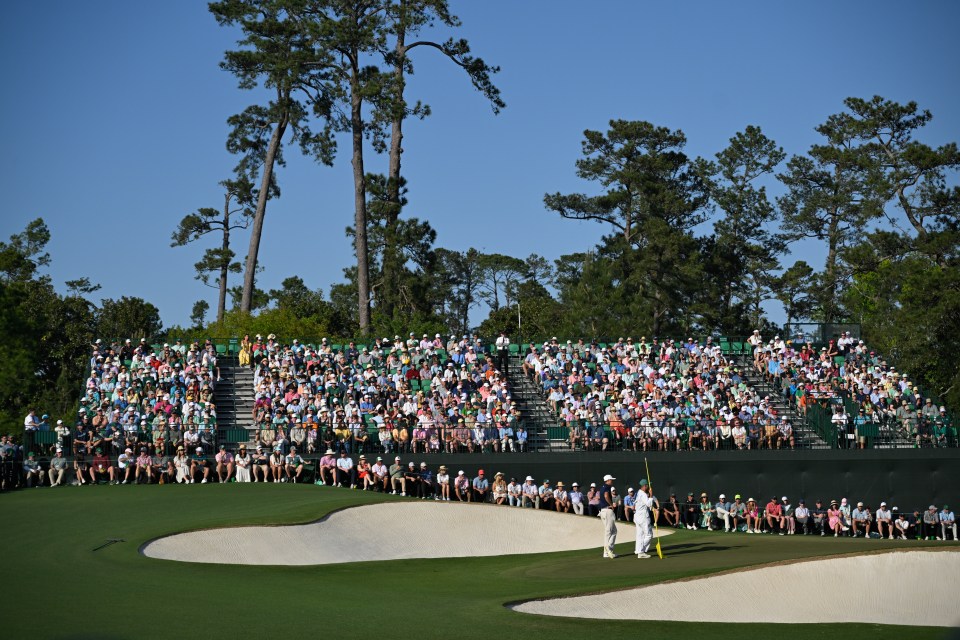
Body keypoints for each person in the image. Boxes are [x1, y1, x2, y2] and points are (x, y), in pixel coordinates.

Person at [634, 478, 654, 558]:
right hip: (643, 517)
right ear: (645, 486)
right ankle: (641, 551)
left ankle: (638, 550)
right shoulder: (643, 494)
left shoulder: (638, 493)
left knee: (640, 535)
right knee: (649, 535)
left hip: (637, 517)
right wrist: (651, 495)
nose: (649, 487)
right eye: (648, 486)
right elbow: (649, 504)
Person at [599, 473, 617, 558]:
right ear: (608, 480)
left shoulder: (602, 487)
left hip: (603, 511)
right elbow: (606, 496)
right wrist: (611, 504)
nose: (612, 481)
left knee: (611, 531)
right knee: (610, 531)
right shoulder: (607, 487)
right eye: (611, 480)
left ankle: (607, 551)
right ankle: (608, 550)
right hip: (607, 510)